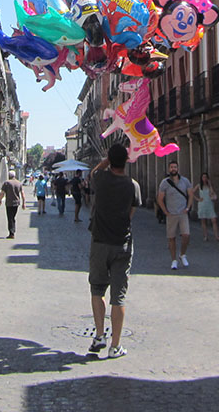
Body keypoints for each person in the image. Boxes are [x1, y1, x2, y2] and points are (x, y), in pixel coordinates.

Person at [87, 143, 141, 359]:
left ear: (110, 161)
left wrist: (106, 159)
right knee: (118, 297)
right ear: (127, 162)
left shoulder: (101, 180)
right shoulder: (132, 186)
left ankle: (100, 334)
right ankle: (115, 346)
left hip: (100, 241)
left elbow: (95, 171)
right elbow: (131, 213)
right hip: (122, 243)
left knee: (97, 289)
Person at [157, 160, 193, 270]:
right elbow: (160, 198)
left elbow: (190, 194)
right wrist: (165, 211)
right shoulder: (165, 183)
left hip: (183, 212)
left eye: (175, 167)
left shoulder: (185, 181)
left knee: (186, 235)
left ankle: (182, 254)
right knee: (171, 238)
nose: (173, 169)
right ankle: (173, 260)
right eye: (171, 167)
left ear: (178, 168)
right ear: (169, 169)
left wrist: (188, 207)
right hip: (171, 214)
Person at [192, 172, 219, 242]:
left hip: (209, 204)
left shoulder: (209, 186)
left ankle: (216, 236)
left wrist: (210, 184)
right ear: (201, 178)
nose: (204, 179)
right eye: (203, 177)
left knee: (214, 220)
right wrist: (197, 199)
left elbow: (212, 193)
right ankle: (205, 236)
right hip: (202, 204)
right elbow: (191, 192)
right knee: (203, 221)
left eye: (205, 177)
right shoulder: (199, 185)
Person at [0, 170, 26, 239]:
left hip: (9, 203)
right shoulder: (19, 183)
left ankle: (11, 232)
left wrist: (0, 200)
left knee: (10, 217)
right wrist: (23, 203)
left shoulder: (6, 183)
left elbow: (2, 193)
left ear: (9, 176)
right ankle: (12, 231)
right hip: (16, 203)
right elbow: (22, 193)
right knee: (13, 217)